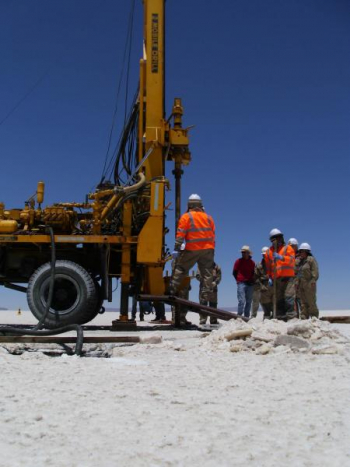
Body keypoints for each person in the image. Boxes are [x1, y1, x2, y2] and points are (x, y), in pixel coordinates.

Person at [169, 194, 216, 314]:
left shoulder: (186, 217)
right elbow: (213, 234)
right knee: (207, 275)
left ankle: (171, 290)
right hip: (208, 250)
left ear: (189, 205)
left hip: (192, 249)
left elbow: (180, 234)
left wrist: (176, 249)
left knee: (181, 268)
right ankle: (204, 300)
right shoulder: (209, 218)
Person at [265, 228, 297, 321]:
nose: (277, 240)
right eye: (275, 239)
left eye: (279, 238)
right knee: (278, 298)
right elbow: (268, 266)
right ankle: (280, 317)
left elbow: (291, 261)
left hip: (288, 278)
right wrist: (269, 276)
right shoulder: (269, 251)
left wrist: (281, 257)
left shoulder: (288, 248)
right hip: (277, 279)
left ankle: (291, 317)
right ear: (272, 240)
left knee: (288, 296)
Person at [295, 242, 319, 319]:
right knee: (303, 301)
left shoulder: (311, 260)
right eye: (300, 251)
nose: (300, 253)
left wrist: (313, 280)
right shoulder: (300, 262)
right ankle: (304, 316)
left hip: (309, 283)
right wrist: (297, 283)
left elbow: (315, 271)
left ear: (306, 251)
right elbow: (298, 273)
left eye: (301, 251)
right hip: (301, 283)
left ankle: (314, 316)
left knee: (311, 301)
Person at [233, 246, 255, 318]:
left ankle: (246, 317)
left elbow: (253, 273)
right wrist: (239, 280)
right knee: (241, 301)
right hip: (241, 283)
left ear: (248, 253)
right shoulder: (238, 261)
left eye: (244, 252)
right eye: (242, 252)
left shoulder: (252, 263)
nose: (243, 254)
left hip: (250, 284)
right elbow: (234, 272)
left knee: (249, 301)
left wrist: (251, 280)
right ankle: (239, 316)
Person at [251, 246, 272, 318]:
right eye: (263, 255)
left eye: (266, 254)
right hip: (262, 288)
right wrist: (261, 285)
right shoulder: (259, 265)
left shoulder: (273, 264)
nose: (265, 256)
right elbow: (255, 278)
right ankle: (262, 319)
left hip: (272, 288)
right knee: (262, 305)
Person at [288, 238, 301, 317]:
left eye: (292, 246)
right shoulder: (289, 256)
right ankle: (295, 316)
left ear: (296, 246)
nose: (290, 248)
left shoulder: (301, 256)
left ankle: (304, 318)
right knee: (292, 299)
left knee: (301, 299)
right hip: (291, 281)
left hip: (300, 282)